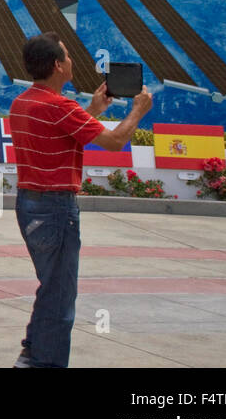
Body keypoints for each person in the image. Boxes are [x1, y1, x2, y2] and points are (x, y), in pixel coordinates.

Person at [8, 32, 152, 367]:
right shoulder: (60, 106)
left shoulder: (24, 102)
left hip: (29, 205)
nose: (72, 61)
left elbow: (61, 132)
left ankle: (32, 352)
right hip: (56, 208)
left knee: (51, 285)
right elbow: (115, 141)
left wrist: (93, 109)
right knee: (60, 295)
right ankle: (44, 362)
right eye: (68, 56)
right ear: (58, 65)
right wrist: (138, 110)